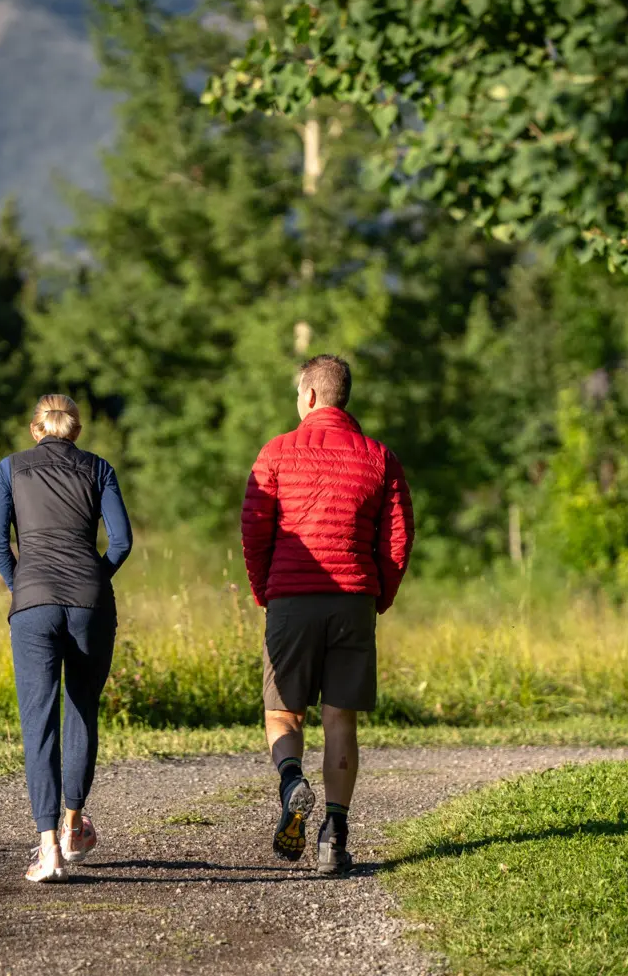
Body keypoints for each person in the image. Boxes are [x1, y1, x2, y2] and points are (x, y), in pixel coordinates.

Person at [241, 355, 414, 875]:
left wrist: (265, 591)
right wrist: (377, 595)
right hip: (352, 601)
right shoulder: (379, 458)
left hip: (291, 599)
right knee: (341, 718)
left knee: (283, 712)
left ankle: (292, 780)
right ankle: (334, 838)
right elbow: (398, 540)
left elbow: (255, 530)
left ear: (311, 396)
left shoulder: (275, 452)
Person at [0, 394, 132, 883]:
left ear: (35, 430)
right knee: (81, 708)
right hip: (90, 602)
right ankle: (74, 825)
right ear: (76, 430)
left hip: (33, 604)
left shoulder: (10, 468)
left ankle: (48, 852)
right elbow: (123, 541)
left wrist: (21, 585)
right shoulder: (99, 468)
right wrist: (95, 576)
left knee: (39, 722)